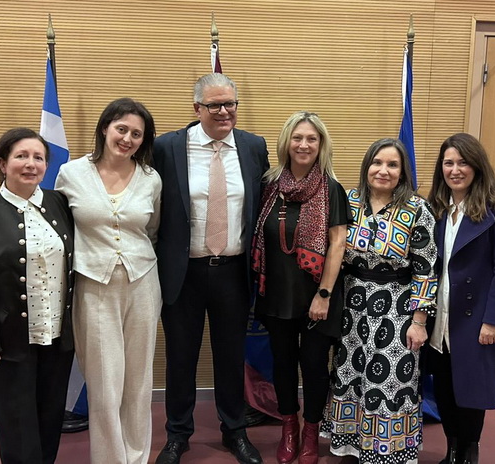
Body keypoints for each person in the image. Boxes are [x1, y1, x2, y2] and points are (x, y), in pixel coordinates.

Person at [152, 73, 269, 464]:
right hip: (183, 273)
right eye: (215, 105)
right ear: (197, 108)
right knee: (180, 357)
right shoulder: (168, 147)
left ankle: (235, 431)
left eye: (230, 103)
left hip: (233, 272)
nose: (224, 111)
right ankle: (177, 434)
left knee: (231, 357)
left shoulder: (253, 146)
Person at [54, 98, 162, 464]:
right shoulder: (71, 174)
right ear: (105, 128)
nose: (127, 139)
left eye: (137, 134)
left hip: (143, 283)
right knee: (104, 385)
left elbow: (152, 229)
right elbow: (60, 228)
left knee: (139, 381)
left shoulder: (151, 178)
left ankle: (137, 457)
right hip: (93, 287)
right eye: (122, 129)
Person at [0, 127, 75, 464]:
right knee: (16, 419)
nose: (31, 164)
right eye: (21, 156)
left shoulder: (59, 203)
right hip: (9, 337)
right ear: (2, 163)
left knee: (50, 414)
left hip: (57, 335)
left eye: (38, 157)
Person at [324, 137, 438, 464]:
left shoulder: (417, 209)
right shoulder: (349, 201)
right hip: (353, 307)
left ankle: (388, 451)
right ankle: (353, 445)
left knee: (388, 381)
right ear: (367, 166)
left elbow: (426, 269)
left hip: (397, 310)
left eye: (392, 165)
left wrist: (419, 322)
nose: (383, 170)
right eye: (377, 162)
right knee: (350, 374)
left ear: (403, 172)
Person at [251, 112, 348, 464]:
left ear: (321, 145)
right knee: (283, 363)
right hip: (276, 293)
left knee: (314, 365)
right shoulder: (270, 186)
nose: (304, 145)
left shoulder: (331, 189)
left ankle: (311, 431)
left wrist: (324, 294)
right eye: (297, 137)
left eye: (311, 139)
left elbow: (338, 244)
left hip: (317, 295)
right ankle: (288, 428)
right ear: (286, 143)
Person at [426, 132, 495, 464]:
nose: (455, 170)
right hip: (441, 313)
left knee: (472, 388)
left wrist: (493, 320)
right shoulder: (437, 206)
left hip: (476, 315)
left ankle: (469, 452)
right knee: (445, 385)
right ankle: (452, 449)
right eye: (448, 163)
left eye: (463, 163)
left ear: (477, 166)